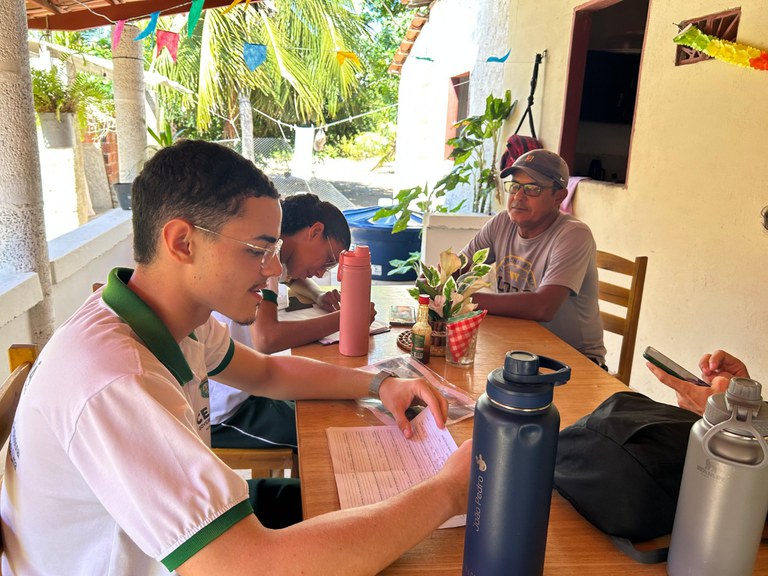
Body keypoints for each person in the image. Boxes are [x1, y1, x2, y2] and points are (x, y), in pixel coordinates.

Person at [0, 140, 471, 575]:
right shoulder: (115, 380)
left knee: (345, 501)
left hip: (166, 546)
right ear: (182, 242)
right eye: (258, 250)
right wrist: (449, 490)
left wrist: (379, 384)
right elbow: (250, 568)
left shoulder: (176, 316)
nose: (272, 270)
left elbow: (266, 371)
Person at [209, 193, 375, 451]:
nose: (321, 273)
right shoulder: (266, 258)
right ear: (314, 231)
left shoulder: (276, 255)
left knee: (329, 406)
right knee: (325, 433)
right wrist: (345, 319)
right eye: (328, 261)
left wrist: (318, 295)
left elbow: (293, 277)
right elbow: (267, 338)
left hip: (250, 383)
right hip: (228, 409)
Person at [460, 149, 607, 367]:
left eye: (532, 189)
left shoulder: (573, 235)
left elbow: (543, 307)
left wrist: (462, 300)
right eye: (515, 186)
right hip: (518, 348)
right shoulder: (501, 223)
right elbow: (458, 267)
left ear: (559, 196)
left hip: (572, 358)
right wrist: (435, 283)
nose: (519, 196)